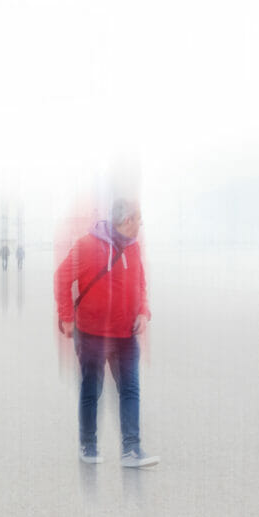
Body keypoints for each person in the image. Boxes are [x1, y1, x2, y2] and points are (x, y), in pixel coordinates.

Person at [54, 198, 158, 468]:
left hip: (126, 335)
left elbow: (141, 284)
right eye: (138, 219)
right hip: (92, 336)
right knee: (92, 391)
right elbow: (62, 277)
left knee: (130, 390)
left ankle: (131, 450)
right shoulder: (87, 246)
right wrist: (66, 318)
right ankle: (88, 445)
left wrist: (143, 313)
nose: (140, 225)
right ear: (126, 221)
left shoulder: (133, 249)